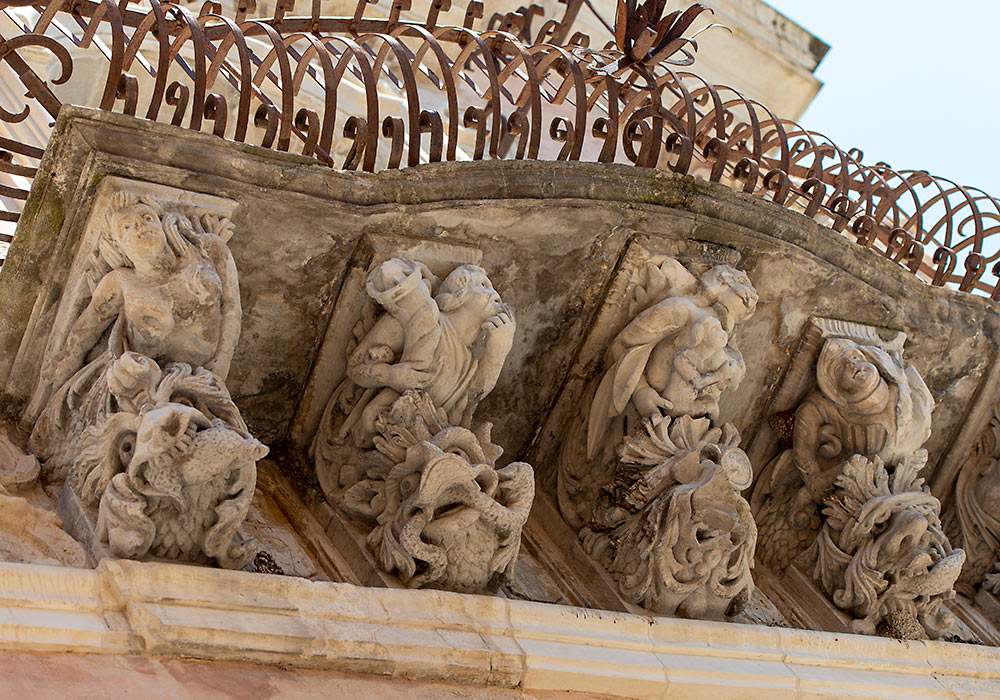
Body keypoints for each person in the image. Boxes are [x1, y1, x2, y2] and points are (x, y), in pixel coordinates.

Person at [30, 190, 241, 480]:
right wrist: (48, 387)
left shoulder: (207, 249)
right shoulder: (121, 282)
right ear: (118, 245)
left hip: (204, 381)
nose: (141, 227)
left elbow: (231, 309)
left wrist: (221, 367)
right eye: (126, 227)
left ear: (161, 221)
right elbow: (81, 336)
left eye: (146, 218)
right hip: (150, 387)